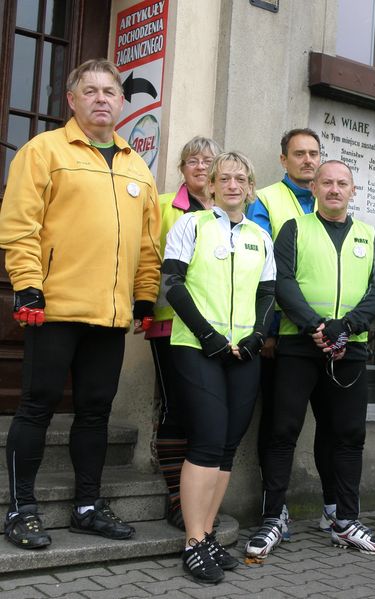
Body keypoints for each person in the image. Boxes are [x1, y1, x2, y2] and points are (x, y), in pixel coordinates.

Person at [0, 59, 160, 550]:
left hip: (110, 315)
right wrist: (28, 285)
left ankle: (87, 506)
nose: (101, 99)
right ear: (72, 100)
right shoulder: (43, 151)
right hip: (53, 309)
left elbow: (149, 245)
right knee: (36, 408)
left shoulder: (137, 166)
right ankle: (22, 510)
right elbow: (20, 224)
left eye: (110, 91)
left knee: (95, 413)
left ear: (121, 101)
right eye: (89, 90)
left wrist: (145, 297)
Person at [245, 160, 375, 558]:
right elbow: (283, 283)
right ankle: (273, 518)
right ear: (315, 188)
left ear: (353, 191)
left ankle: (345, 520)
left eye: (342, 183)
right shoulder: (295, 229)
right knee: (282, 432)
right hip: (298, 347)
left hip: (350, 350)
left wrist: (345, 327)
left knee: (348, 436)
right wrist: (317, 326)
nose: (334, 189)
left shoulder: (369, 236)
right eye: (327, 182)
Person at [162, 151, 275, 583]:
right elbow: (172, 285)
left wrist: (256, 338)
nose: (232, 185)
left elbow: (267, 295)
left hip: (241, 352)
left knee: (227, 445)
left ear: (249, 187)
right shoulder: (191, 225)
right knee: (207, 441)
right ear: (210, 185)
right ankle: (193, 543)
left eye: (240, 179)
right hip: (196, 346)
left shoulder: (259, 237)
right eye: (223, 178)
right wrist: (207, 334)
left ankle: (207, 534)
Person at [246, 128, 337, 536]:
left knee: (332, 427)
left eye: (314, 153)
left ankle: (335, 509)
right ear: (283, 160)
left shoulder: (330, 200)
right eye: (299, 154)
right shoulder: (267, 200)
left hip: (329, 338)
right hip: (280, 336)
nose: (308, 160)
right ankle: (274, 510)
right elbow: (261, 269)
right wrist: (265, 332)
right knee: (278, 427)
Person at [146, 136, 221, 530]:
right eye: (193, 160)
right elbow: (147, 257)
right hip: (169, 325)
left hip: (214, 331)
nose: (201, 167)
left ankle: (196, 500)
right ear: (181, 168)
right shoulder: (162, 206)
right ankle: (177, 498)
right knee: (175, 409)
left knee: (202, 413)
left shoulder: (228, 211)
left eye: (209, 161)